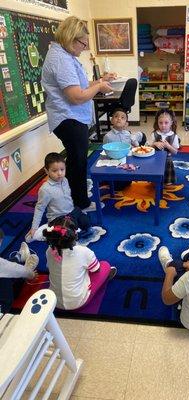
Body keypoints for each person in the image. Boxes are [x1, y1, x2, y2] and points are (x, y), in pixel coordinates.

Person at [41, 16, 114, 211]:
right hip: (68, 117)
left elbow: (80, 86)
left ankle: (73, 197)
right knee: (78, 161)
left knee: (77, 159)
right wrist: (99, 87)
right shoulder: (61, 60)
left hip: (71, 117)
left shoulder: (65, 56)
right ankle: (79, 202)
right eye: (83, 43)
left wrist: (99, 82)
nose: (83, 48)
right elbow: (76, 96)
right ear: (71, 38)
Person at [26, 153, 103, 246]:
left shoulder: (65, 180)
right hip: (58, 218)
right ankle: (45, 232)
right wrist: (34, 227)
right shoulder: (45, 189)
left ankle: (68, 230)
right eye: (54, 171)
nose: (59, 173)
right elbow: (39, 208)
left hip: (71, 211)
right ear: (46, 171)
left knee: (86, 222)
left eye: (62, 169)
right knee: (69, 233)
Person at [43, 216, 117, 310]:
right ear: (75, 234)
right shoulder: (84, 251)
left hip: (54, 300)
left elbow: (49, 267)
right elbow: (96, 269)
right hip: (78, 302)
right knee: (105, 265)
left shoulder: (49, 251)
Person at [0, 230, 38, 313]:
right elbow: (15, 269)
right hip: (2, 309)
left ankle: (19, 256)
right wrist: (31, 274)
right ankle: (20, 257)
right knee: (6, 276)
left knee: (5, 269)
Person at [150, 109, 180, 184]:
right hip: (155, 160)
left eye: (166, 123)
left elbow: (175, 152)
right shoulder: (154, 134)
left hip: (167, 161)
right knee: (155, 179)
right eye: (160, 123)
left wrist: (168, 146)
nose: (163, 125)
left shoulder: (174, 136)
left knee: (167, 181)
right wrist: (154, 144)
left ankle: (167, 180)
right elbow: (148, 148)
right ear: (157, 122)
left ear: (171, 123)